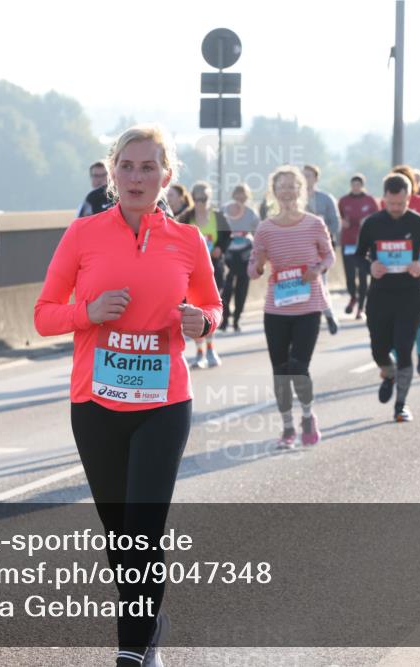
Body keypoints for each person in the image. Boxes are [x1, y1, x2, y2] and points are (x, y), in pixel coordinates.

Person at [35, 125, 221, 667]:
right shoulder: (83, 235)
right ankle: (148, 624)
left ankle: (133, 647)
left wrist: (200, 321)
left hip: (163, 406)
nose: (136, 177)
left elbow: (212, 308)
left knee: (144, 526)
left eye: (148, 167)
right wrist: (86, 314)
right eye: (126, 166)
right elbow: (44, 314)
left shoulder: (188, 241)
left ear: (168, 177)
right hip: (95, 405)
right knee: (120, 537)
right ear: (111, 172)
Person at [249, 166, 335, 448]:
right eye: (281, 186)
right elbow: (252, 269)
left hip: (308, 305)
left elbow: (329, 256)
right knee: (280, 369)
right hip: (277, 307)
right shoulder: (264, 228)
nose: (286, 190)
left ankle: (308, 417)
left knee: (299, 366)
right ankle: (287, 427)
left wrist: (317, 269)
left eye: (291, 185)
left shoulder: (314, 223)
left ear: (301, 189)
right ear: (274, 192)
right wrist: (259, 264)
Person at [356, 174, 420, 422]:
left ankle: (401, 405)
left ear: (408, 199)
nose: (395, 208)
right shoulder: (372, 224)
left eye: (401, 204)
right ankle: (388, 373)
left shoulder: (419, 223)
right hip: (380, 296)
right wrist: (369, 267)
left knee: (404, 350)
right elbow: (357, 255)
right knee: (378, 349)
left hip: (409, 296)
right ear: (384, 198)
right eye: (391, 204)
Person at [178, 181, 229, 367]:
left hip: (215, 269)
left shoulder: (218, 217)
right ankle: (200, 353)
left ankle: (210, 349)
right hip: (192, 272)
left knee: (211, 308)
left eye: (205, 198)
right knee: (194, 311)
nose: (201, 202)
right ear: (192, 198)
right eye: (198, 198)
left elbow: (227, 237)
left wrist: (220, 249)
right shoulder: (184, 218)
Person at [390, 165, 420, 374]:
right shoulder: (387, 203)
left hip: (417, 261)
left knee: (415, 313)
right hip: (391, 263)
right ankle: (399, 359)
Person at [303, 164, 341, 335]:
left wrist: (323, 236)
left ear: (316, 178)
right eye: (303, 176)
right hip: (299, 248)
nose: (306, 179)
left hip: (320, 249)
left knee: (320, 283)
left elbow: (335, 223)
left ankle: (329, 315)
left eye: (309, 176)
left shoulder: (325, 199)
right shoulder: (294, 199)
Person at [337, 174, 379, 320]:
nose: (356, 187)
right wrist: (342, 222)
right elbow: (338, 217)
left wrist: (367, 221)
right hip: (348, 242)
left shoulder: (369, 200)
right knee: (349, 276)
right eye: (353, 184)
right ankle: (353, 296)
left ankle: (361, 308)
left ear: (362, 185)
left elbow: (378, 218)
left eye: (358, 185)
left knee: (362, 276)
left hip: (364, 243)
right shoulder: (343, 201)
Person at [220, 183, 260, 332]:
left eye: (243, 194)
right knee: (226, 288)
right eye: (237, 194)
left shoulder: (251, 212)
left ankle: (237, 319)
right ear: (233, 195)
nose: (240, 197)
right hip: (228, 254)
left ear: (247, 196)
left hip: (246, 253)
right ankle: (224, 319)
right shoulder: (224, 210)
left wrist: (259, 254)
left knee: (242, 288)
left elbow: (258, 232)